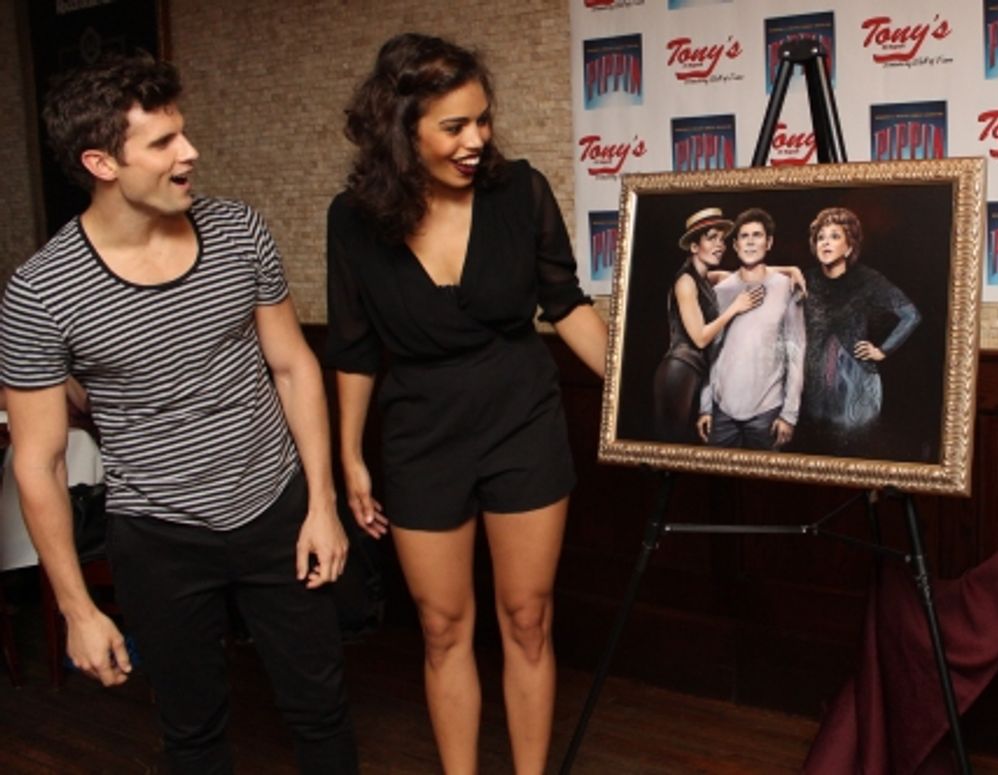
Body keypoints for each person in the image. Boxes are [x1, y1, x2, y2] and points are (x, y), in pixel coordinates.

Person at [0, 55, 358, 773]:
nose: (189, 151)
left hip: (274, 508)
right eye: (162, 142)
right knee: (192, 734)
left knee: (322, 712)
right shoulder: (41, 294)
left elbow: (293, 366)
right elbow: (36, 460)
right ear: (100, 162)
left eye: (183, 133)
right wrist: (77, 606)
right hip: (158, 537)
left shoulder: (238, 232)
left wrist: (322, 502)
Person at [326, 33, 607, 774]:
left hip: (523, 419)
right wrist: (349, 455)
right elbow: (352, 349)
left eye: (483, 119)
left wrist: (631, 388)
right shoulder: (352, 221)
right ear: (401, 128)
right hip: (422, 433)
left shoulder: (521, 192)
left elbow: (566, 304)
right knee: (444, 627)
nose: (477, 139)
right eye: (454, 126)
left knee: (527, 618)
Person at [797, 207, 920, 452]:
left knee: (853, 452)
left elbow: (911, 315)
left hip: (857, 385)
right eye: (820, 237)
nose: (826, 243)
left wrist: (882, 351)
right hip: (813, 387)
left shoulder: (868, 280)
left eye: (834, 236)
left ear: (849, 246)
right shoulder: (804, 280)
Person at [651, 207, 764, 442]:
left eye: (722, 239)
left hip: (694, 373)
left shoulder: (704, 277)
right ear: (694, 247)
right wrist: (734, 309)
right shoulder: (685, 282)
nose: (720, 245)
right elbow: (700, 338)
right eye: (712, 238)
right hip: (678, 371)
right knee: (671, 449)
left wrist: (791, 271)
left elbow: (743, 274)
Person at [696, 208, 805, 450]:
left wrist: (789, 414)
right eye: (744, 236)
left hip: (767, 411)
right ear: (735, 245)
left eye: (757, 235)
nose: (751, 242)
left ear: (769, 242)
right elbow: (709, 354)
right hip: (722, 412)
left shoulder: (787, 287)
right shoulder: (720, 291)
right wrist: (706, 407)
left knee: (765, 487)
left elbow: (796, 353)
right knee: (718, 485)